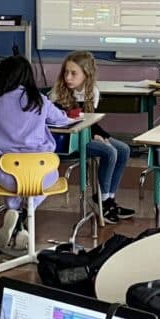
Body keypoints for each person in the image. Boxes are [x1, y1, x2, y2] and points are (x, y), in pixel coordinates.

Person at [0, 56, 69, 252]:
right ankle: (22, 217)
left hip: (8, 175)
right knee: (48, 178)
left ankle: (15, 216)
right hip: (41, 174)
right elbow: (62, 120)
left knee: (14, 186)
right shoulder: (39, 100)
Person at [50, 51, 135, 224]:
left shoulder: (92, 91)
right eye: (66, 72)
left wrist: (101, 135)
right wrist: (99, 136)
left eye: (74, 73)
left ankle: (109, 198)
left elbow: (89, 120)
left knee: (124, 149)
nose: (68, 77)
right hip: (68, 141)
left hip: (85, 134)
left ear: (86, 74)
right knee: (109, 151)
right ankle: (102, 201)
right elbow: (67, 123)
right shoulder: (57, 94)